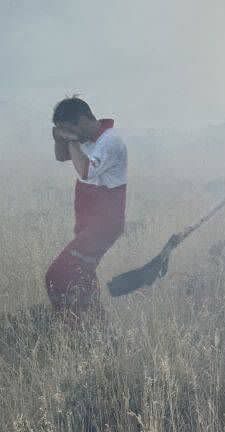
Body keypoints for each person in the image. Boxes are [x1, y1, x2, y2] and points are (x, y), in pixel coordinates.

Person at [46, 97, 127, 319]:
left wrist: (71, 140)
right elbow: (61, 156)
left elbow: (84, 170)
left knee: (58, 275)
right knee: (81, 277)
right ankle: (95, 328)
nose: (67, 134)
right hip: (89, 224)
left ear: (82, 120)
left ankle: (74, 327)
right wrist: (61, 139)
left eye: (68, 128)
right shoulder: (88, 138)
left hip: (102, 226)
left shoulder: (109, 142)